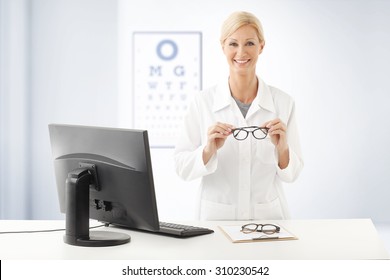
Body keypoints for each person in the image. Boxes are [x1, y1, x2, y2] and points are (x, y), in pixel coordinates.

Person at [174, 11, 303, 220]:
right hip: (217, 218)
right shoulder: (202, 102)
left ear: (261, 46)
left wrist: (282, 149)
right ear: (222, 46)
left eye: (250, 43)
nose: (241, 52)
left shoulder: (283, 103)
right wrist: (208, 150)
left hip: (267, 219)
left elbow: (292, 174)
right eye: (233, 44)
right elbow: (181, 167)